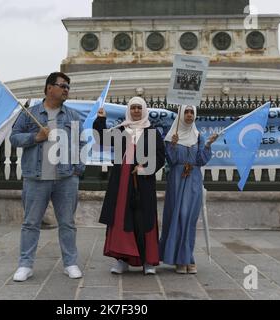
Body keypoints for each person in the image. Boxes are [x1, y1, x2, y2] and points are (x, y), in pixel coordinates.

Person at [10, 72, 85, 281]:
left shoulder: (72, 116)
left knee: (67, 223)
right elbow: (14, 138)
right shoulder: (29, 113)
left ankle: (70, 263)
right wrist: (35, 137)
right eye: (62, 86)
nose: (66, 90)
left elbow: (80, 143)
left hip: (66, 178)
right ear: (49, 88)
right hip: (35, 178)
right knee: (31, 223)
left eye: (68, 87)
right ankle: (25, 265)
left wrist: (78, 169)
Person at [93, 97, 165, 275]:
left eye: (139, 108)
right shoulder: (120, 130)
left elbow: (160, 157)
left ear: (144, 110)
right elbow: (100, 138)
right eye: (132, 108)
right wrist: (100, 119)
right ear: (128, 110)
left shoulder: (153, 133)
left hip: (144, 183)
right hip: (121, 182)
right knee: (120, 217)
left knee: (144, 219)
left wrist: (145, 167)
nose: (135, 111)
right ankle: (121, 260)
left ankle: (148, 261)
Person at [159, 105, 218, 274]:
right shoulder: (172, 136)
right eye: (186, 111)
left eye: (192, 112)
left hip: (193, 180)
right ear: (181, 114)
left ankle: (187, 257)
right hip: (177, 180)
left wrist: (207, 146)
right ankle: (178, 259)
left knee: (189, 218)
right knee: (176, 217)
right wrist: (172, 145)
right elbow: (170, 161)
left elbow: (200, 160)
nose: (190, 115)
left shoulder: (199, 136)